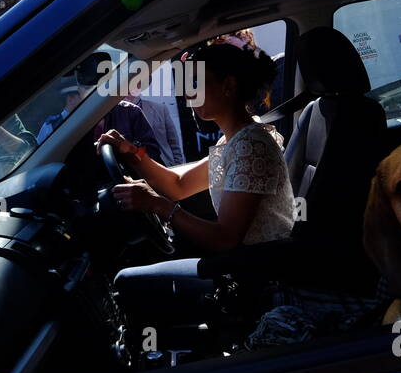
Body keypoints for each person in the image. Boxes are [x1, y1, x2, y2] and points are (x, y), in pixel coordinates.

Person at [99, 41, 292, 335]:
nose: (189, 94)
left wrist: (156, 205)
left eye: (197, 84)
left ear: (228, 86)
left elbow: (225, 238)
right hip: (243, 266)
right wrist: (132, 154)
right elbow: (178, 186)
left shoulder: (251, 146)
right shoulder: (235, 140)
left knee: (127, 282)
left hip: (254, 276)